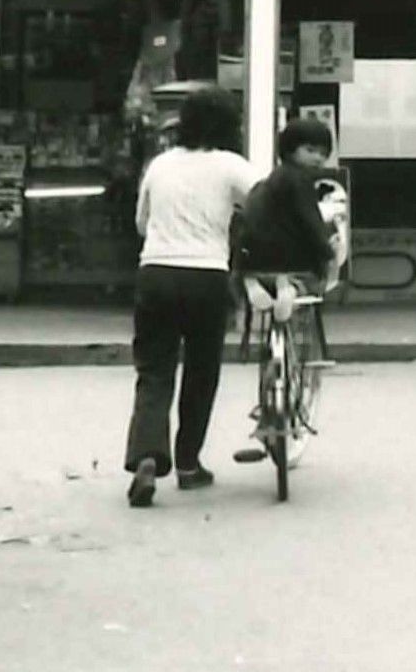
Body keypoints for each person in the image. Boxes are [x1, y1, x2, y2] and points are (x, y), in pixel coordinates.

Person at [125, 86, 256, 507]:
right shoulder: (231, 166)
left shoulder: (160, 165)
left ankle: (146, 456)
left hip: (156, 273)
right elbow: (266, 206)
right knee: (201, 371)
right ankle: (187, 464)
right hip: (206, 277)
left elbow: (142, 224)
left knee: (154, 371)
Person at [229, 119, 343, 465]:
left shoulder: (264, 185)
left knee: (271, 326)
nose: (317, 159)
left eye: (322, 153)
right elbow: (310, 224)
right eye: (310, 151)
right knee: (303, 309)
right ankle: (288, 293)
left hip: (252, 263)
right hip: (291, 263)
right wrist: (328, 253)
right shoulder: (299, 182)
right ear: (291, 150)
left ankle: (260, 288)